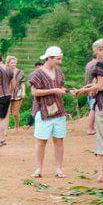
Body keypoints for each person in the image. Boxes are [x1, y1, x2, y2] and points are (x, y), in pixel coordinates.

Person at [74, 40, 103, 182]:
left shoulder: (101, 64)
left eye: (96, 52)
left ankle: (101, 173)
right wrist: (86, 87)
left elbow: (100, 86)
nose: (96, 55)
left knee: (102, 137)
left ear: (101, 49)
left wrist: (83, 91)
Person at [29, 46, 69, 178]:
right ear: (49, 58)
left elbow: (61, 86)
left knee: (59, 140)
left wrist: (66, 91)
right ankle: (38, 169)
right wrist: (54, 90)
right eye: (58, 59)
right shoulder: (38, 73)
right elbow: (34, 92)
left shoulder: (58, 71)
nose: (60, 61)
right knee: (41, 141)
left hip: (59, 110)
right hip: (43, 111)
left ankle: (58, 169)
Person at [6, 56, 26, 130]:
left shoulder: (20, 72)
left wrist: (23, 91)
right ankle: (6, 127)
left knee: (15, 112)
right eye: (12, 63)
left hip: (18, 93)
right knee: (7, 112)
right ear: (8, 63)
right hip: (7, 93)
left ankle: (17, 126)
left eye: (14, 62)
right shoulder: (5, 71)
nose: (14, 64)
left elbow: (22, 83)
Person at [83, 52, 98, 135]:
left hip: (88, 87)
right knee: (93, 109)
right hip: (92, 89)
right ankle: (90, 128)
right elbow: (94, 78)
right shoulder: (95, 64)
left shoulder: (89, 64)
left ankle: (91, 128)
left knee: (93, 108)